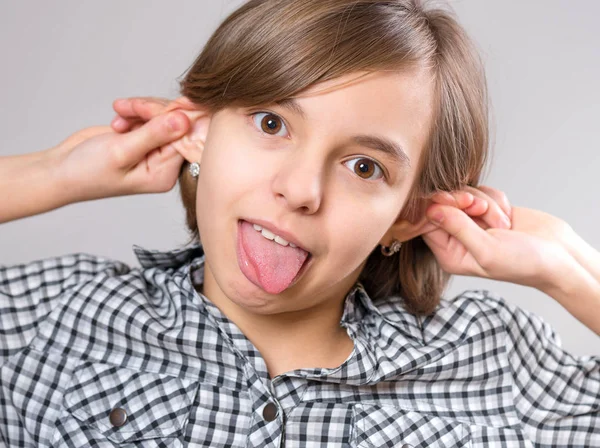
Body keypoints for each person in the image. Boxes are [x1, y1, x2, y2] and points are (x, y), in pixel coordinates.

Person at [1, 0, 599, 446]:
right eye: (271, 124)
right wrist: (54, 174)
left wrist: (572, 270)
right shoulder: (60, 313)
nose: (300, 190)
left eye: (364, 166)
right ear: (198, 130)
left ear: (409, 216)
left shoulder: (492, 364)